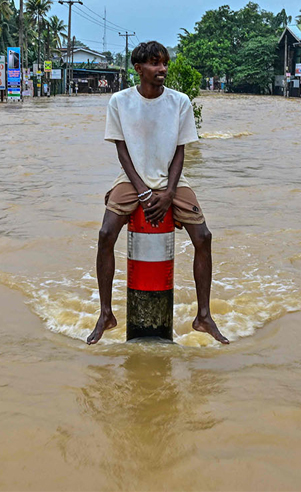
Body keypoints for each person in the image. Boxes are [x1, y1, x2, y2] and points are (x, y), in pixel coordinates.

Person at [87, 41, 228, 345]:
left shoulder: (180, 102)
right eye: (154, 63)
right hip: (131, 178)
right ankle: (106, 314)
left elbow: (180, 152)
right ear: (138, 69)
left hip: (172, 179)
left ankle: (204, 316)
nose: (162, 69)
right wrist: (142, 192)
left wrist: (169, 193)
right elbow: (122, 152)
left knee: (203, 237)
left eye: (164, 63)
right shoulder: (119, 101)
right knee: (105, 234)